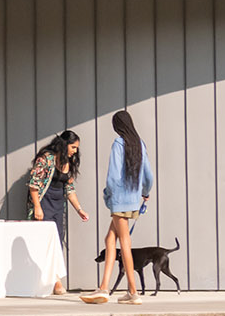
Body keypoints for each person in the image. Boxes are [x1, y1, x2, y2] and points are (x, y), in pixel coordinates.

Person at [83, 109, 154, 305]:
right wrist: (145, 194)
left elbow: (113, 178)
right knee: (110, 239)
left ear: (117, 126)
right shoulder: (140, 144)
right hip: (133, 201)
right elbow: (149, 176)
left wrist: (108, 197)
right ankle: (104, 287)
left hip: (119, 201)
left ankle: (132, 292)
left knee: (124, 243)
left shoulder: (118, 144)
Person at [24, 129, 89, 296]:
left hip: (59, 205)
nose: (76, 151)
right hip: (44, 202)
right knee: (44, 242)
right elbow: (34, 185)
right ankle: (50, 282)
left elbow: (69, 188)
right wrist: (37, 207)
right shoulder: (46, 158)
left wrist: (79, 209)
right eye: (73, 147)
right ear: (64, 144)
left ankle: (55, 280)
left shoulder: (70, 161)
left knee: (58, 241)